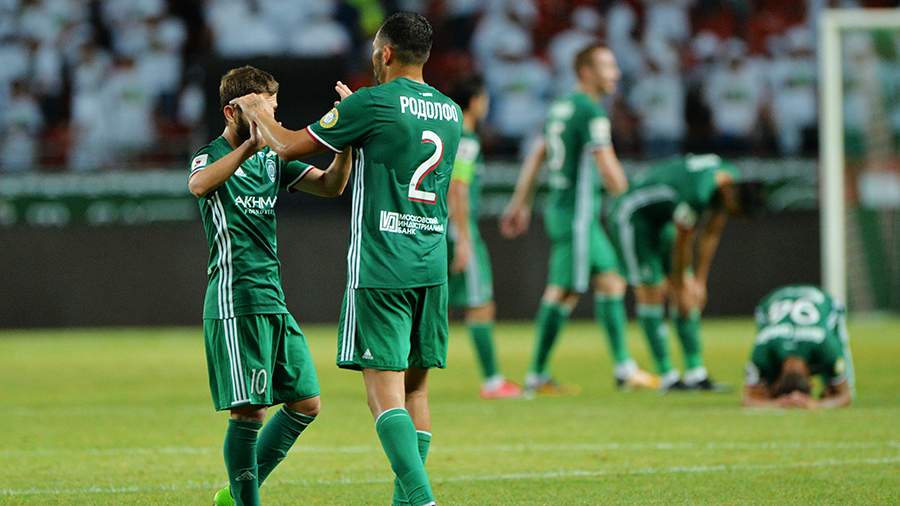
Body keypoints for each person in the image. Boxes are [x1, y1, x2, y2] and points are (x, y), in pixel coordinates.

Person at [232, 13, 461, 506]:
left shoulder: (372, 103)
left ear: (386, 53)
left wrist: (258, 112)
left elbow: (287, 145)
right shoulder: (450, 110)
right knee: (416, 392)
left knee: (384, 395)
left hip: (383, 265)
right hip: (431, 263)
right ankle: (406, 502)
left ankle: (422, 500)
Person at [188, 66, 352, 506]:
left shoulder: (273, 159)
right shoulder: (210, 155)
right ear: (232, 112)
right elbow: (198, 185)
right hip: (235, 298)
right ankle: (246, 501)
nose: (270, 118)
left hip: (273, 298)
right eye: (261, 110)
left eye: (272, 110)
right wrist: (248, 146)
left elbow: (332, 186)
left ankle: (235, 493)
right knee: (250, 412)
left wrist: (346, 143)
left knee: (306, 402)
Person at [501, 43, 658, 396]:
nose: (616, 73)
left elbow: (538, 153)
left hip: (567, 211)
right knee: (563, 291)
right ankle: (536, 375)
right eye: (608, 66)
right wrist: (633, 203)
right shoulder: (590, 111)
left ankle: (624, 368)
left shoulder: (561, 106)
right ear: (586, 72)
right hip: (578, 216)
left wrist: (520, 202)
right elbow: (607, 165)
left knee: (611, 281)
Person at [608, 153, 765, 391]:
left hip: (661, 219)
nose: (734, 216)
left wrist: (699, 281)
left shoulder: (728, 181)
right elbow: (684, 242)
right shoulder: (697, 193)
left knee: (688, 294)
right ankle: (667, 376)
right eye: (737, 211)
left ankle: (695, 373)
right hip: (632, 216)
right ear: (730, 194)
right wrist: (681, 284)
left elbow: (710, 234)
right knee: (652, 291)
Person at [446, 75, 522, 399]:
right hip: (458, 229)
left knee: (429, 306)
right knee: (480, 305)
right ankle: (492, 381)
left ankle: (395, 373)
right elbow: (457, 187)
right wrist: (464, 239)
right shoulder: (466, 139)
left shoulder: (448, 134)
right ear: (476, 101)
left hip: (438, 229)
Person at [742, 285, 854, 409]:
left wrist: (776, 403)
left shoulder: (827, 347)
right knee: (836, 382)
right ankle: (833, 383)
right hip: (772, 301)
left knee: (836, 365)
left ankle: (833, 382)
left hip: (823, 301)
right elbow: (747, 400)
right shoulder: (764, 346)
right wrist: (816, 404)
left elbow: (846, 397)